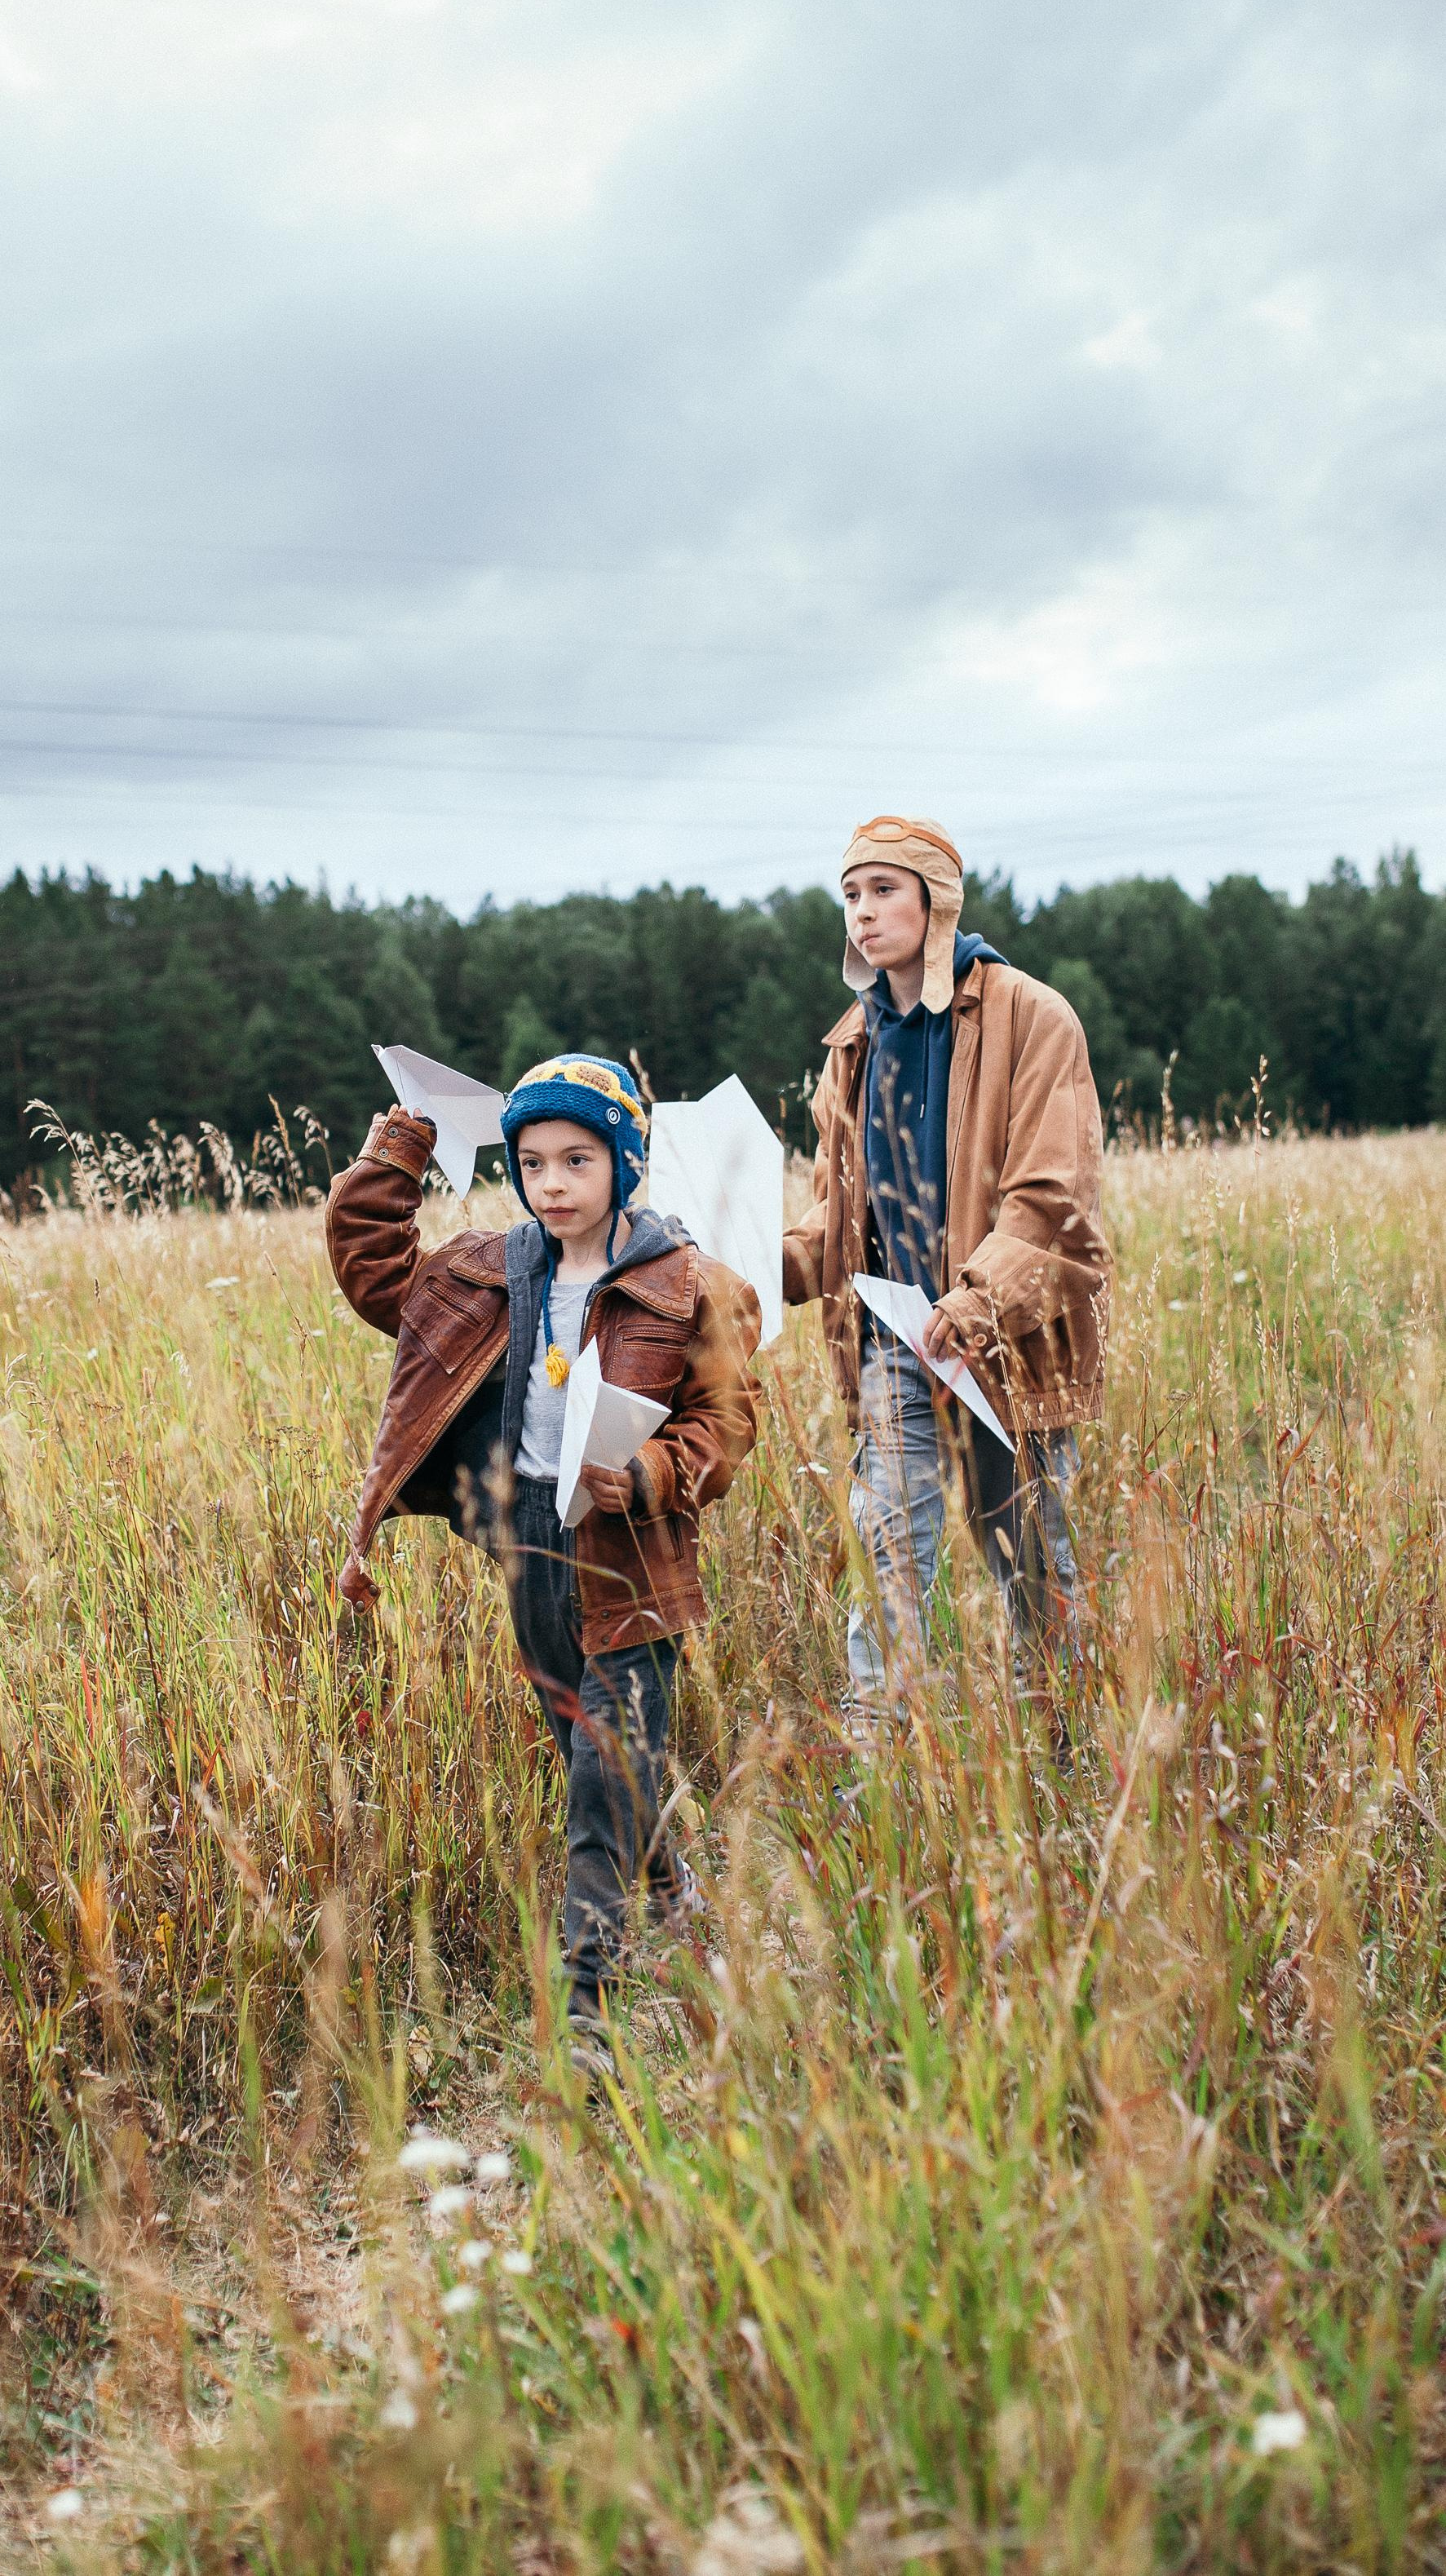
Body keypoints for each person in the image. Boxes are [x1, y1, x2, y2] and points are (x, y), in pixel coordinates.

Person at [325, 1052, 761, 2059]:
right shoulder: (489, 1269)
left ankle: (587, 2008)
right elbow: (373, 1271)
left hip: (633, 1553)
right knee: (586, 1748)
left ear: (624, 1160)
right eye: (532, 1161)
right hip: (526, 1536)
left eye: (577, 1158)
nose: (553, 1182)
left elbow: (725, 1425)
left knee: (598, 1771)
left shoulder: (691, 1286)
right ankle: (674, 1894)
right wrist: (403, 1142)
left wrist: (651, 1471)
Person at [782, 816, 1111, 1721]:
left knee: (1030, 1563)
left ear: (936, 898)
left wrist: (971, 1306)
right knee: (884, 1542)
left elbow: (1051, 1198)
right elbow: (840, 1210)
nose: (860, 912)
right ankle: (877, 1773)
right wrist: (771, 1260)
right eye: (848, 894)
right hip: (894, 1334)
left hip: (1005, 1340)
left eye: (882, 889)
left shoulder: (1029, 1014)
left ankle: (1061, 1756)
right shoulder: (852, 1043)